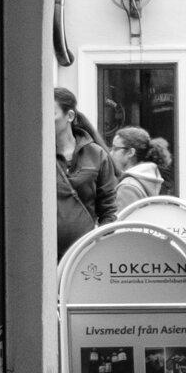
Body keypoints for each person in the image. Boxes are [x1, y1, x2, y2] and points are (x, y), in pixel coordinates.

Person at [55, 87, 117, 258]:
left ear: (70, 116)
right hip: (45, 257)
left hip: (86, 254)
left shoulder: (96, 154)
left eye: (51, 113)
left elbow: (108, 209)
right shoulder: (37, 157)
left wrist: (102, 245)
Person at [110, 126, 173, 214]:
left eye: (115, 148)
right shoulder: (153, 177)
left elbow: (124, 225)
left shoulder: (127, 187)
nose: (111, 153)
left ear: (131, 152)